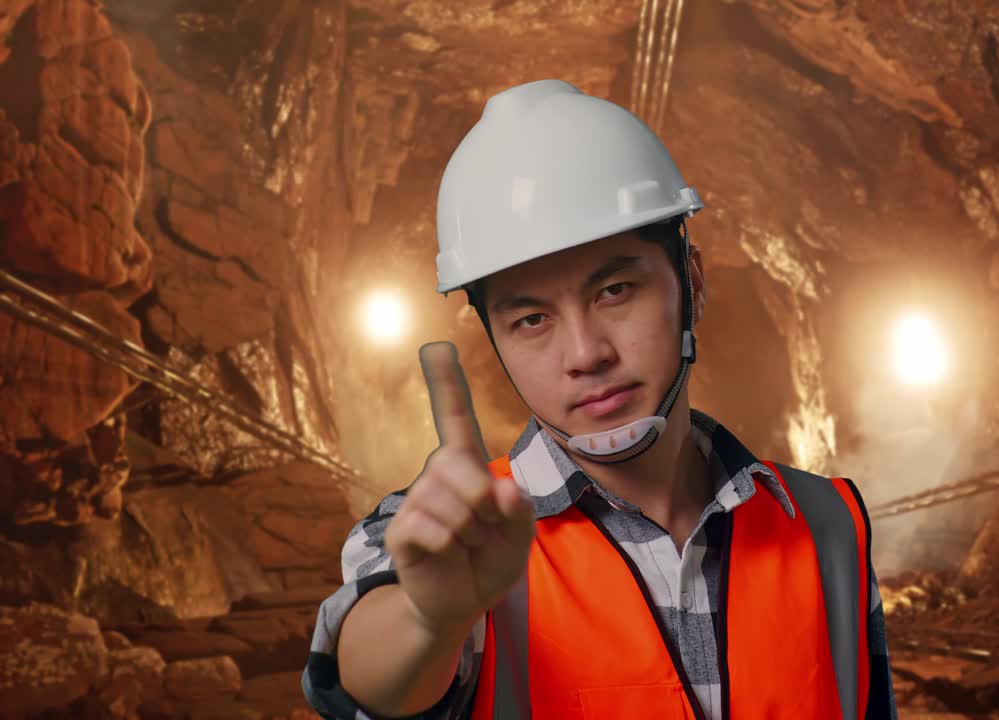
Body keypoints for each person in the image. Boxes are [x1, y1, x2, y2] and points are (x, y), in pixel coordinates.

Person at [302, 79, 897, 719]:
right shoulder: (452, 539)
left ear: (690, 284)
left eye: (614, 290)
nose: (585, 354)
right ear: (494, 340)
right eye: (531, 320)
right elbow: (369, 679)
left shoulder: (829, 523)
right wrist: (428, 620)